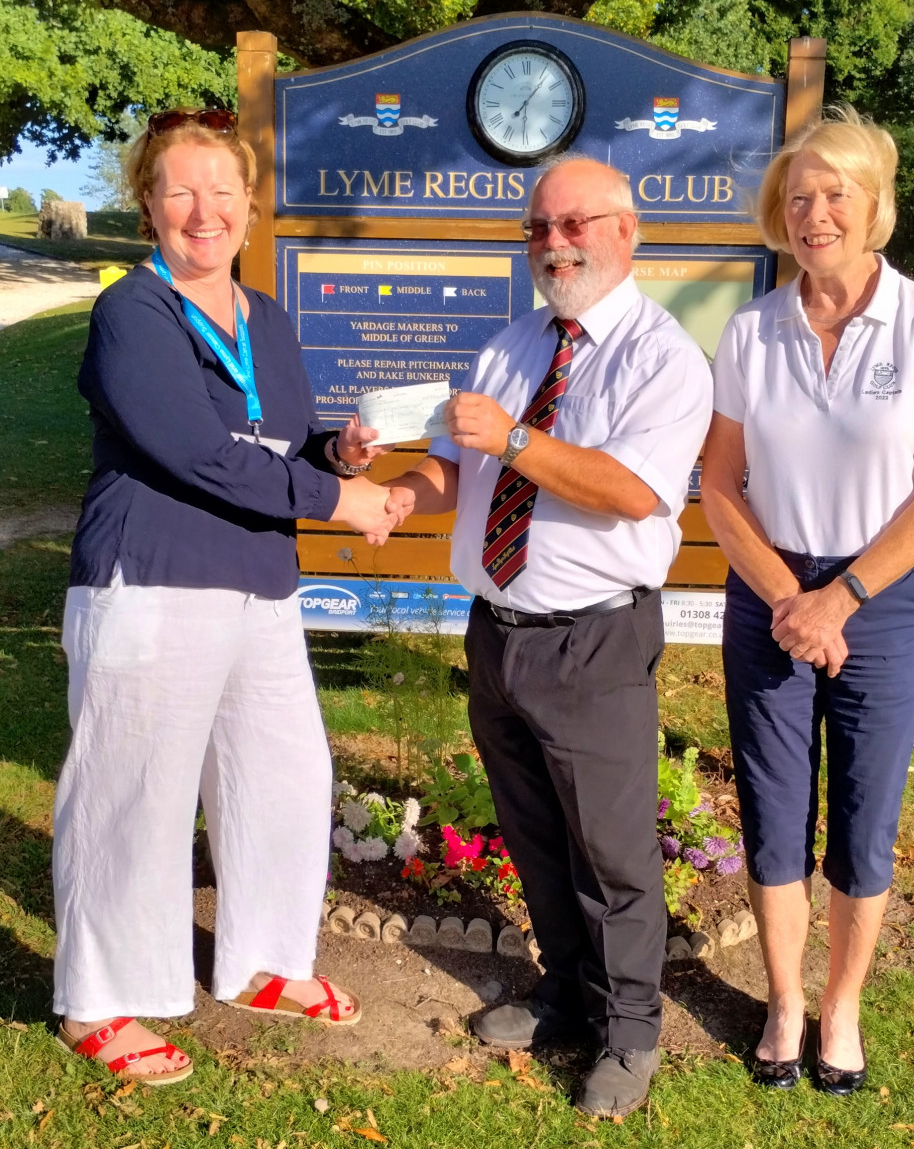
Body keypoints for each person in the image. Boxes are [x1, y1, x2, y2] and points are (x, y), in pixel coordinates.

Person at [52, 108, 395, 1083]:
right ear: (149, 203)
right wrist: (335, 494)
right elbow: (194, 451)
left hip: (257, 584)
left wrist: (334, 449)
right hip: (152, 580)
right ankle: (101, 996)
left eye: (221, 191)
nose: (202, 211)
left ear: (249, 203)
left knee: (283, 779)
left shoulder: (268, 319)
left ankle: (263, 960)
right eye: (178, 191)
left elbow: (269, 438)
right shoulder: (133, 310)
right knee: (134, 797)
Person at [381, 157, 713, 1118]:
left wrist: (518, 440)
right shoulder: (510, 346)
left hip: (594, 641)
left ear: (626, 230)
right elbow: (458, 473)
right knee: (533, 836)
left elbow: (632, 491)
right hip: (498, 633)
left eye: (575, 224)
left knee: (611, 853)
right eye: (538, 229)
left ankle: (631, 1030)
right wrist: (398, 489)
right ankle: (563, 994)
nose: (554, 243)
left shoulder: (664, 357)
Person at [700, 107, 914, 1095]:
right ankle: (782, 1000)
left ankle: (842, 1005)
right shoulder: (749, 329)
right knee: (775, 812)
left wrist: (842, 597)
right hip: (770, 593)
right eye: (799, 197)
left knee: (864, 815)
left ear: (873, 207)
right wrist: (790, 597)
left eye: (835, 194)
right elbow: (720, 484)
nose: (814, 213)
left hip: (885, 596)